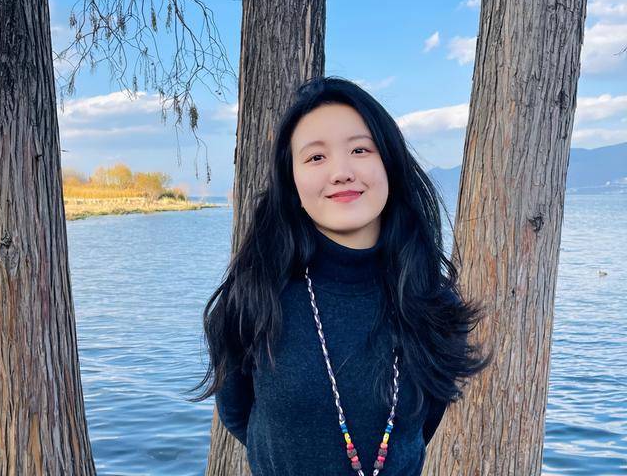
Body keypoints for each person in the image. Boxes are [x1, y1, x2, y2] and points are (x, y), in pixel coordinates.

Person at [187, 76, 492, 476]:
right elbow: (238, 413)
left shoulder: (434, 304)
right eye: (316, 157)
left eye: (360, 149)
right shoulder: (254, 297)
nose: (341, 172)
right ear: (292, 182)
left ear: (389, 163)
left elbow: (419, 427)